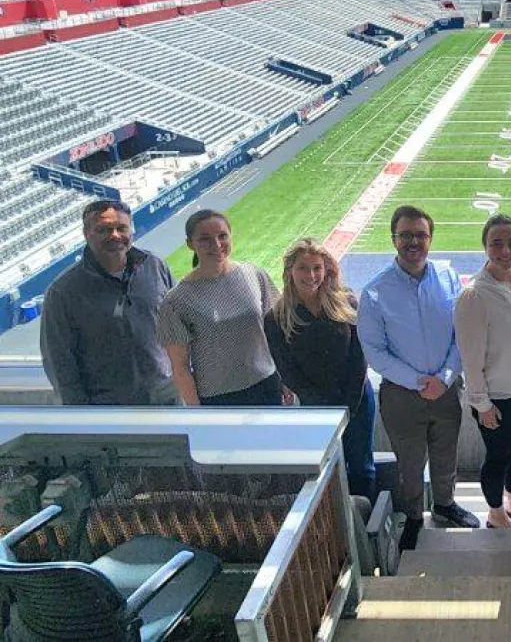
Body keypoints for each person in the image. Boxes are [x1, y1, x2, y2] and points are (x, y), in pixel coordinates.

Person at [358, 205, 478, 549]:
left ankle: (444, 504)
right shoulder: (376, 290)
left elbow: (462, 333)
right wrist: (418, 381)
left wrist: (445, 376)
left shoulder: (448, 277)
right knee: (409, 464)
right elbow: (374, 350)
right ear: (394, 239)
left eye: (420, 235)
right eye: (406, 235)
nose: (413, 241)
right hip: (402, 395)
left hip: (446, 387)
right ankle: (412, 516)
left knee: (446, 454)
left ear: (431, 238)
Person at [265, 239, 377, 501]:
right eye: (303, 268)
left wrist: (349, 402)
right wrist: (322, 405)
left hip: (358, 398)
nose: (311, 275)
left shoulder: (346, 301)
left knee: (362, 467)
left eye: (317, 267)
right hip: (316, 407)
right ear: (290, 271)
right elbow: (287, 370)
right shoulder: (277, 317)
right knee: (325, 471)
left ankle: (366, 530)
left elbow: (360, 356)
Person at [40, 200, 179, 405]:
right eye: (103, 230)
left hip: (168, 399)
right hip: (110, 407)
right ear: (87, 234)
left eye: (121, 228)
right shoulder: (62, 292)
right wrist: (82, 415)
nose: (114, 235)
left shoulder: (155, 266)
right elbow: (59, 361)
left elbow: (178, 323)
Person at [454, 214, 511, 530]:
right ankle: (494, 513)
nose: (505, 250)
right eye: (496, 243)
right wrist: (482, 403)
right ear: (484, 247)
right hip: (497, 394)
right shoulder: (475, 296)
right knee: (499, 457)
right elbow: (470, 356)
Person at [158, 210, 284, 406]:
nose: (216, 245)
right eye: (205, 239)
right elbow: (180, 367)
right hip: (219, 398)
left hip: (267, 384)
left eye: (222, 236)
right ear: (190, 244)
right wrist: (198, 411)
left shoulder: (254, 275)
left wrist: (285, 379)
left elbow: (276, 333)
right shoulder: (176, 301)